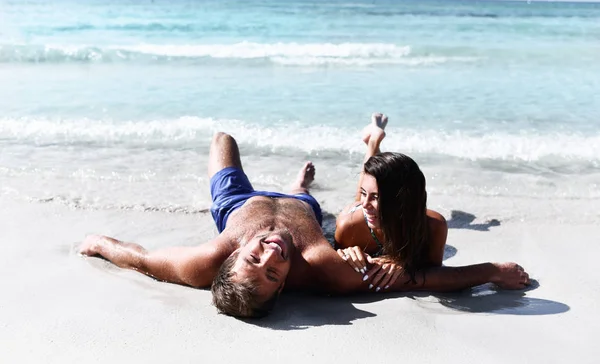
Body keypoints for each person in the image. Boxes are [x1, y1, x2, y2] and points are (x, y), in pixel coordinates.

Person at [79, 131, 531, 319]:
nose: (272, 252)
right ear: (284, 286)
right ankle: (300, 186)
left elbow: (140, 259)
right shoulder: (321, 266)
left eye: (255, 257)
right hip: (300, 210)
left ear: (233, 254)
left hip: (239, 202)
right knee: (306, 203)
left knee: (223, 139)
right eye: (274, 270)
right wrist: (490, 271)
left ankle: (298, 183)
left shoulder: (204, 262)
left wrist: (101, 243)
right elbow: (419, 278)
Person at [335, 113, 450, 291]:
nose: (366, 204)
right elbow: (338, 270)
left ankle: (374, 140)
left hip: (399, 218)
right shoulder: (349, 227)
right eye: (367, 195)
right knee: (361, 195)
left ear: (402, 201)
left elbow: (433, 271)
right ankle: (373, 142)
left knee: (374, 185)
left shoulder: (434, 225)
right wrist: (343, 255)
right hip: (354, 215)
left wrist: (403, 263)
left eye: (376, 198)